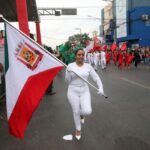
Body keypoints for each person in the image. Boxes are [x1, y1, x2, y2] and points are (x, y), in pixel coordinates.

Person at [65, 49, 105, 140]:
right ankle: (78, 129)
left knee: (87, 111)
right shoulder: (70, 66)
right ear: (75, 56)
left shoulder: (88, 66)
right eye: (79, 54)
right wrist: (68, 72)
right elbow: (67, 81)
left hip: (84, 91)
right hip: (72, 91)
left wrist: (101, 87)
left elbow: (96, 78)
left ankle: (81, 114)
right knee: (76, 111)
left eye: (82, 55)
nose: (81, 56)